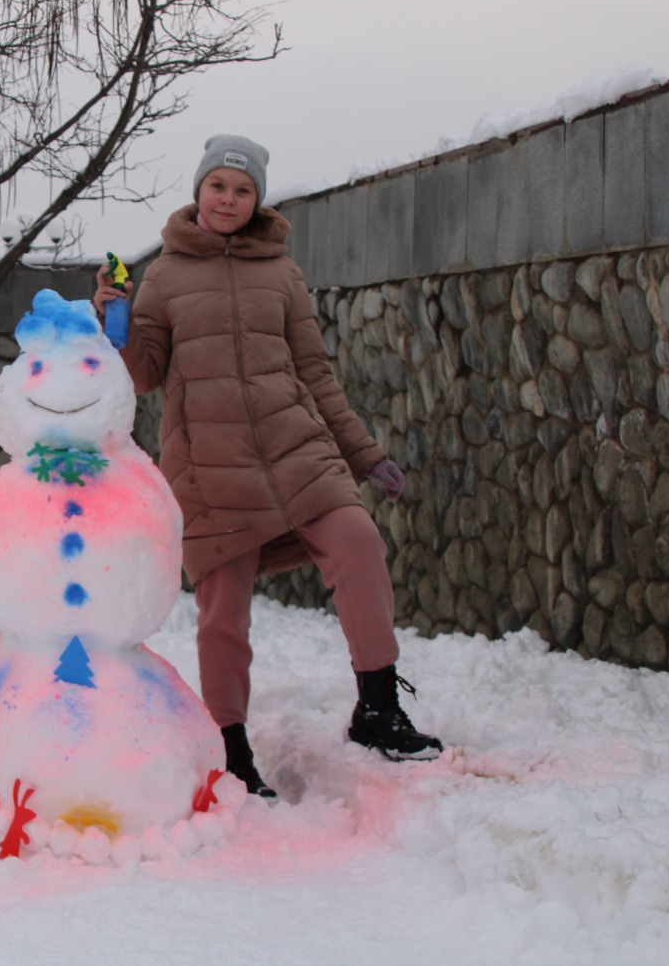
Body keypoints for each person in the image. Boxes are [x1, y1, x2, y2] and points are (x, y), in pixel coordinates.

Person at [92, 134, 442, 796]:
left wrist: (364, 455)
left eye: (243, 190)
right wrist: (118, 319)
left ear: (257, 201)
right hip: (210, 468)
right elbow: (143, 374)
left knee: (359, 542)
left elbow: (315, 373)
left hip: (297, 451)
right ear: (200, 191)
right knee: (224, 611)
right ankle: (229, 748)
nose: (229, 199)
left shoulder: (282, 273)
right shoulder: (164, 276)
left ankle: (378, 709)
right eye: (219, 186)